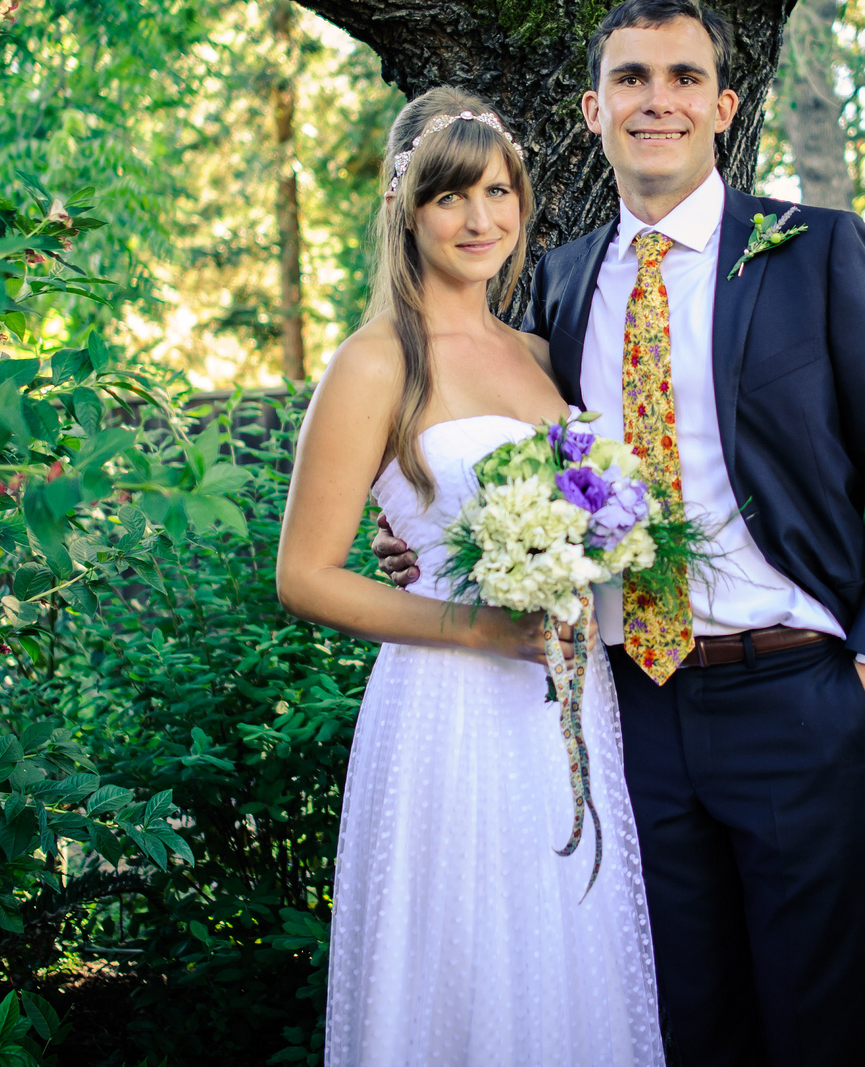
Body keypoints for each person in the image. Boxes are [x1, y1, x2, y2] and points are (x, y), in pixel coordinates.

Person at [375, 0, 865, 1067]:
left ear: (724, 106)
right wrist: (428, 531)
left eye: (684, 77)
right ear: (592, 110)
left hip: (792, 694)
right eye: (631, 79)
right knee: (680, 1027)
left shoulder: (817, 252)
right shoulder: (557, 285)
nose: (658, 100)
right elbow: (507, 451)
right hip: (625, 709)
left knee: (816, 1033)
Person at [275, 86, 664, 1067]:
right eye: (449, 195)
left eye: (497, 191)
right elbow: (304, 574)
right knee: (463, 966)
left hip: (566, 707)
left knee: (565, 965)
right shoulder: (373, 364)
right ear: (405, 209)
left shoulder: (538, 354)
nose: (479, 218)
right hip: (447, 713)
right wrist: (473, 625)